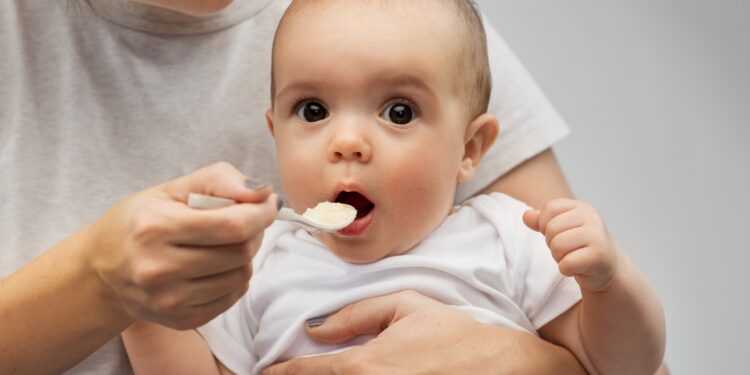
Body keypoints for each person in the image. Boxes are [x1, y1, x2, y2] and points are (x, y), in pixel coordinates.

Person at [0, 0, 631, 374]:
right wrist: (140, 310)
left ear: (470, 149)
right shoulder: (261, 268)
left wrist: (609, 284)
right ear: (272, 132)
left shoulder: (505, 237)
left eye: (399, 113)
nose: (347, 142)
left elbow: (627, 364)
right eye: (312, 112)